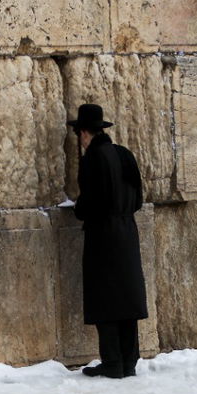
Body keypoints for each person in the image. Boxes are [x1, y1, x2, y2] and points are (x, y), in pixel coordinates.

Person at [69, 103, 148, 378]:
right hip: (127, 231)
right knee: (126, 297)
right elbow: (137, 199)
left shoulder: (92, 158)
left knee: (106, 299)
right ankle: (129, 361)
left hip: (103, 235)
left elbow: (89, 202)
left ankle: (112, 362)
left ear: (84, 133)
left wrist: (80, 209)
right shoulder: (124, 155)